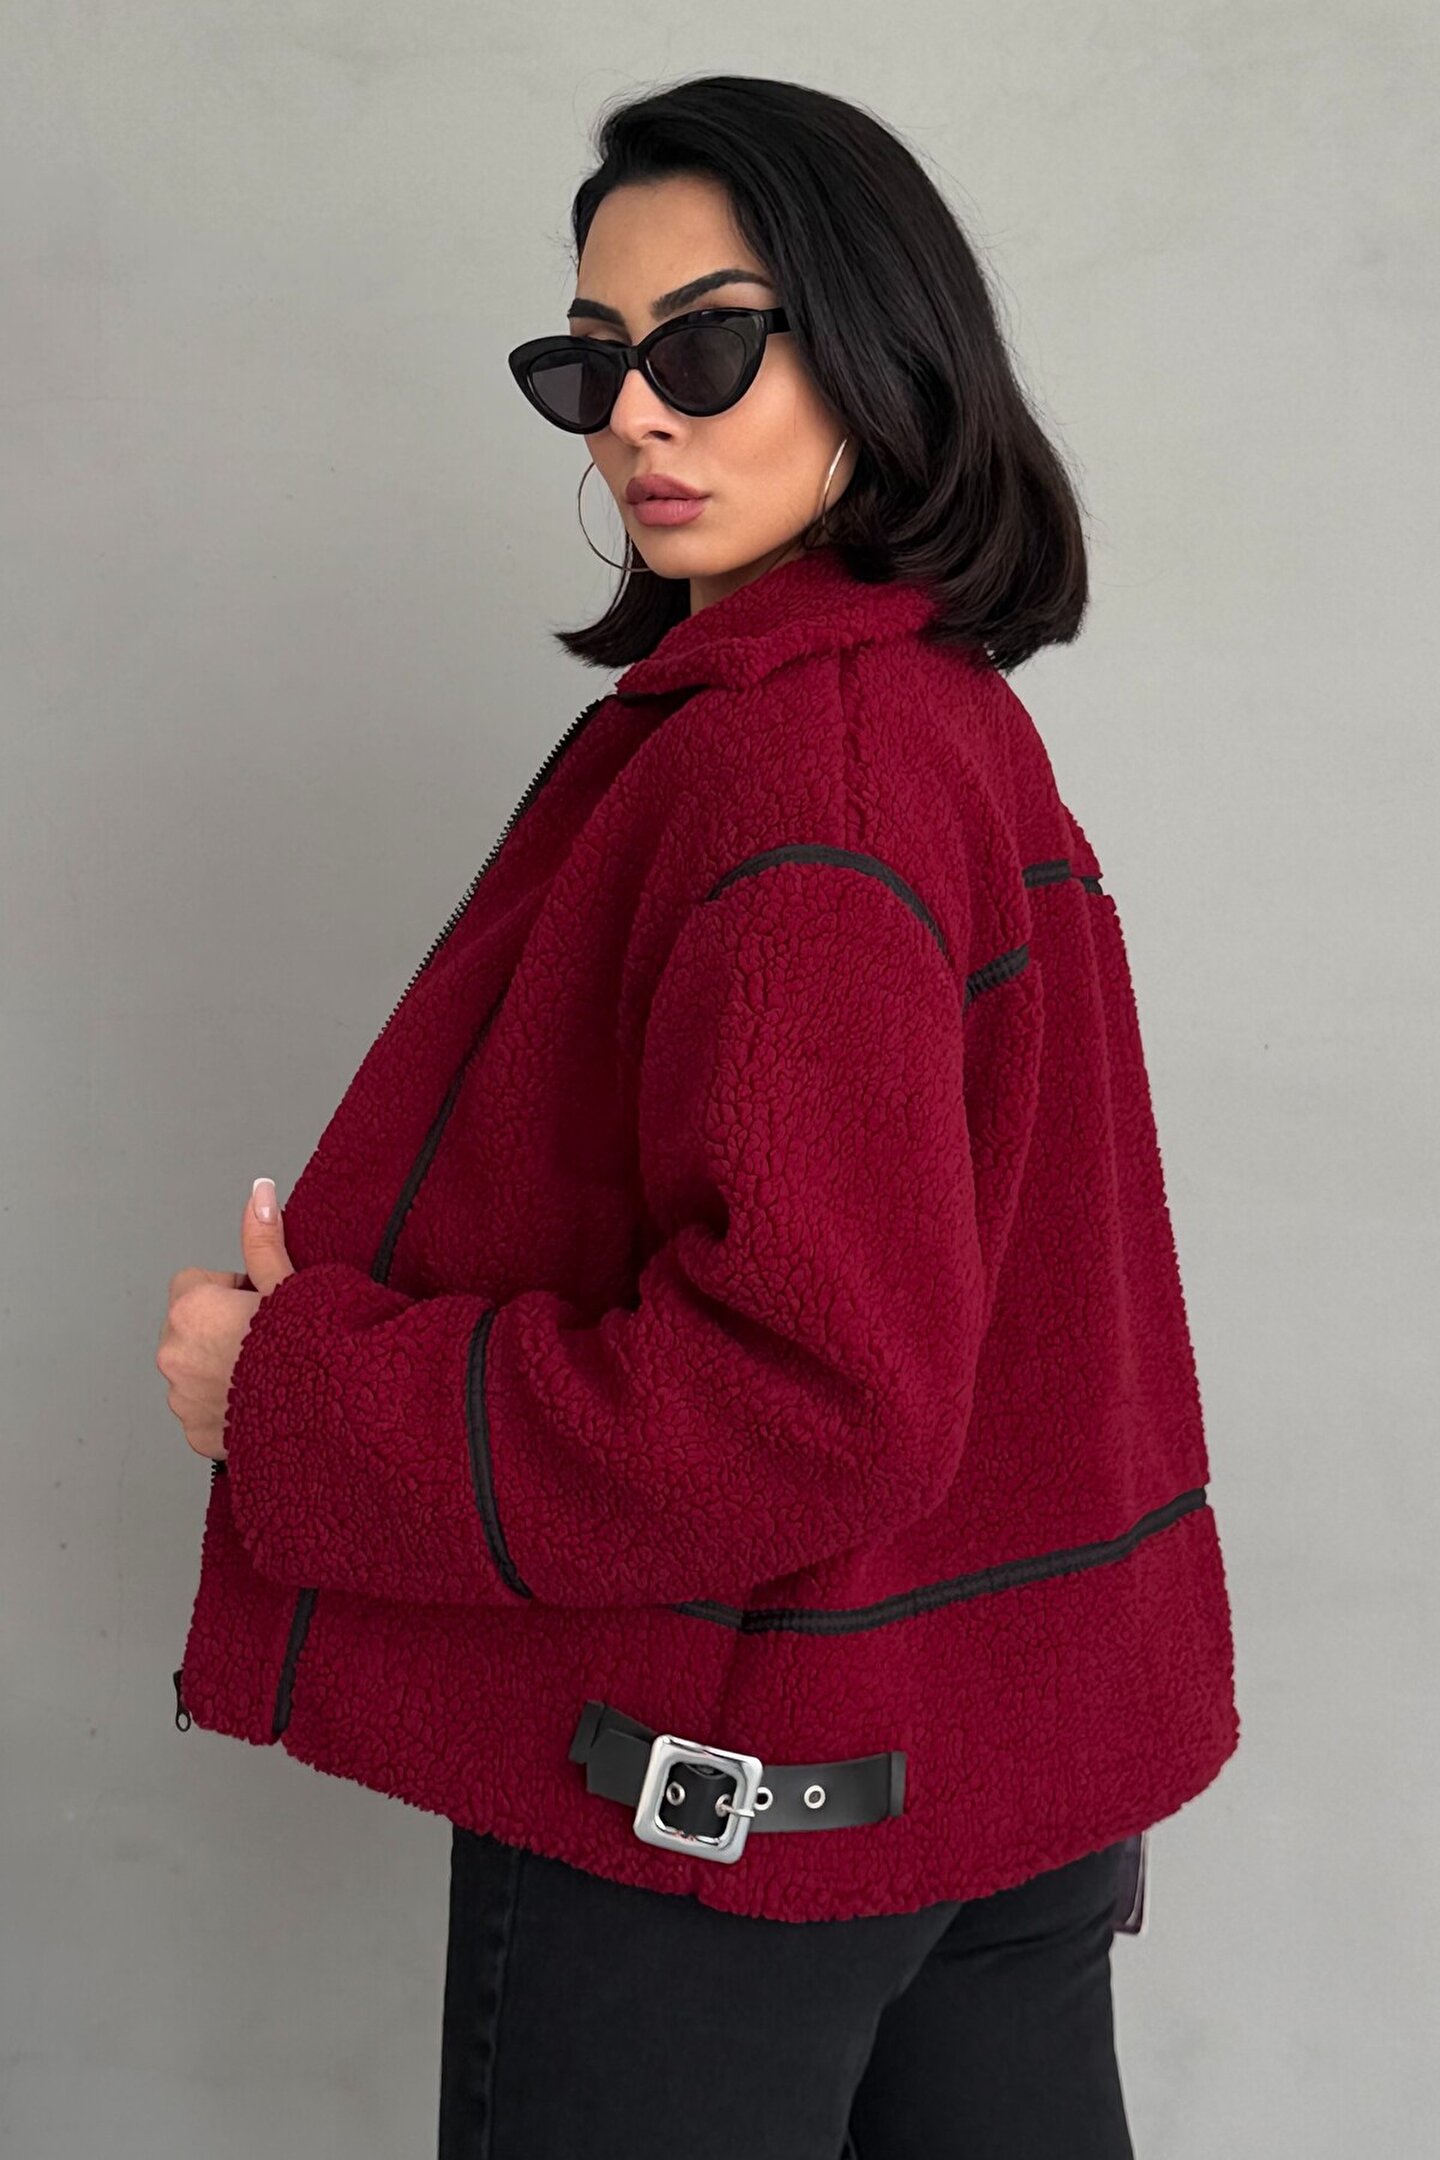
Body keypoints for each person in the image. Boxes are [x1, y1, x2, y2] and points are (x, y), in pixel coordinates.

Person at [163, 73, 1239, 2160]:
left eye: (710, 345)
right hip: (985, 1797)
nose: (636, 417)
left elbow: (814, 1393)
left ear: (878, 340)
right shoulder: (940, 720)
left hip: (730, 1820)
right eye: (589, 364)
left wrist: (294, 1393)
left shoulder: (797, 769)